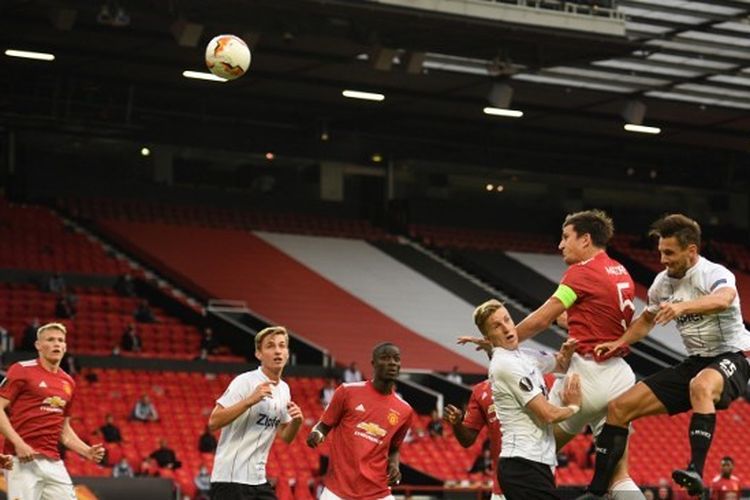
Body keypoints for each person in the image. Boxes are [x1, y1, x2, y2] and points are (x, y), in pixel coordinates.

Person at [462, 210, 642, 499]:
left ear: (585, 240)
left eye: (566, 237)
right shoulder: (620, 271)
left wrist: (500, 343)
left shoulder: (581, 272)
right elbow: (580, 317)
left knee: (530, 450)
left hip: (586, 375)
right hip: (619, 375)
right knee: (619, 475)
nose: (560, 244)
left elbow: (543, 318)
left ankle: (501, 495)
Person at [581, 214, 750, 498]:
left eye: (669, 253)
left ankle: (695, 470)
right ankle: (597, 491)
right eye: (660, 252)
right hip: (696, 361)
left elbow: (724, 298)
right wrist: (619, 342)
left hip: (733, 356)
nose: (663, 259)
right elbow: (647, 320)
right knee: (618, 408)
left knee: (701, 385)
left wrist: (683, 308)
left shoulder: (713, 273)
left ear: (691, 251)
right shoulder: (662, 283)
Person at [469, 299, 581, 500]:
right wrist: (574, 406)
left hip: (538, 463)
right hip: (522, 465)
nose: (506, 328)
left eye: (507, 320)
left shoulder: (524, 356)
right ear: (488, 337)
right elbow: (548, 414)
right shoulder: (504, 365)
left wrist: (566, 353)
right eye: (497, 326)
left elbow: (561, 365)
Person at [0, 322, 105, 498]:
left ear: (65, 347)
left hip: (53, 461)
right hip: (21, 460)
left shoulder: (68, 382)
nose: (56, 344)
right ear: (38, 345)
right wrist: (19, 444)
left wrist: (86, 451)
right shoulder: (21, 370)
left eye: (60, 340)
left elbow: (63, 431)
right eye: (50, 340)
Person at [307, 342, 415, 500]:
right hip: (338, 491)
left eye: (396, 359)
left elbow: (394, 448)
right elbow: (323, 426)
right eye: (385, 358)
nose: (392, 362)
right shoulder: (347, 392)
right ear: (373, 363)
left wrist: (394, 465)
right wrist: (316, 434)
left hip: (378, 492)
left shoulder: (405, 410)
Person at [209, 326, 303, 499]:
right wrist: (249, 401)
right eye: (270, 346)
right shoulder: (245, 381)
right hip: (230, 479)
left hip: (258, 480)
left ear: (287, 353)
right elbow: (213, 422)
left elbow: (285, 436)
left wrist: (296, 422)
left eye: (282, 346)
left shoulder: (284, 389)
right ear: (259, 354)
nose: (277, 351)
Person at [443, 378, 504, 500]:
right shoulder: (481, 391)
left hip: (537, 476)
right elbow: (467, 440)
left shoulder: (540, 379)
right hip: (502, 483)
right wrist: (457, 424)